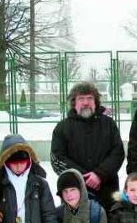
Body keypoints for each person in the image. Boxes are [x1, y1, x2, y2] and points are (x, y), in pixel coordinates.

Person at [51, 81, 125, 209]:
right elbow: (57, 158)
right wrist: (82, 177)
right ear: (74, 103)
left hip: (107, 191)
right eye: (81, 98)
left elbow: (118, 152)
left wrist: (99, 174)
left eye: (90, 98)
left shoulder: (109, 124)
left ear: (96, 102)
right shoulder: (62, 127)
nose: (85, 102)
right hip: (74, 193)